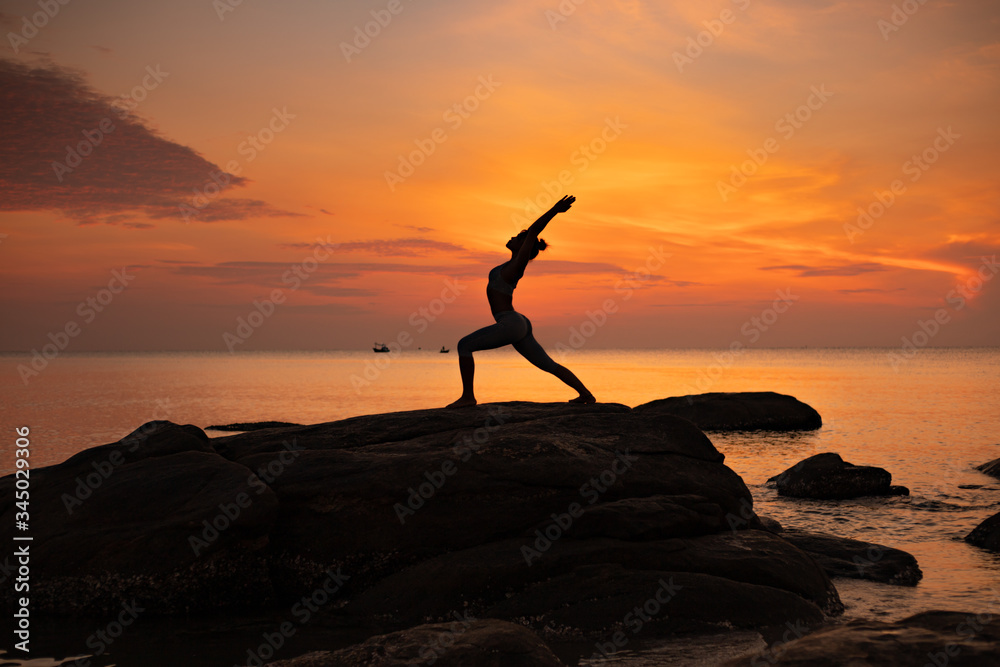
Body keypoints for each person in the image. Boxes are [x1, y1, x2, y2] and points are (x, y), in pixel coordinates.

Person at [446, 195, 596, 408]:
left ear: (523, 246)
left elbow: (533, 232)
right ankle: (586, 395)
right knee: (547, 364)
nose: (513, 237)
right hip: (517, 323)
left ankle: (468, 397)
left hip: (510, 322)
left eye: (518, 237)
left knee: (464, 345)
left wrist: (554, 210)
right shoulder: (506, 265)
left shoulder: (517, 265)